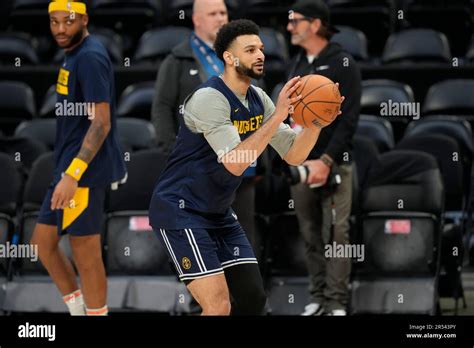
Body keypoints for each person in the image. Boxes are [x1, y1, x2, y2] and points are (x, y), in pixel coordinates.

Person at [149, 19, 341, 315]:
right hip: (181, 210)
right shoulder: (209, 98)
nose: (261, 55)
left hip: (218, 212)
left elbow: (293, 155)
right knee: (218, 305)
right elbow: (235, 164)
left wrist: (316, 124)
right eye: (250, 50)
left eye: (261, 49)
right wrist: (278, 116)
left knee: (252, 300)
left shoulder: (258, 99)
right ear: (229, 57)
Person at [31, 0, 127, 316]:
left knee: (85, 252)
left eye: (68, 22)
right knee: (42, 244)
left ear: (84, 19)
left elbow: (101, 122)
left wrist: (73, 173)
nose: (60, 29)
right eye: (54, 21)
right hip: (67, 167)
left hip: (82, 172)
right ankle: (79, 310)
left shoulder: (90, 57)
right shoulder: (73, 54)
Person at [151, 0, 259, 248]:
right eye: (213, 14)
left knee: (242, 241)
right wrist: (173, 153)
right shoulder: (177, 60)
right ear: (196, 19)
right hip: (198, 169)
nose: (221, 18)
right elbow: (161, 110)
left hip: (242, 166)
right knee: (201, 240)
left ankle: (242, 287)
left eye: (223, 12)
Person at [286, 0, 361, 316]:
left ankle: (337, 301)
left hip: (335, 163)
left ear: (314, 25)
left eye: (295, 21)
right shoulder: (297, 63)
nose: (289, 27)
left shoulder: (343, 62)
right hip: (302, 164)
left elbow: (350, 119)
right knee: (309, 232)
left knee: (337, 234)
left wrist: (326, 161)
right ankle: (317, 295)